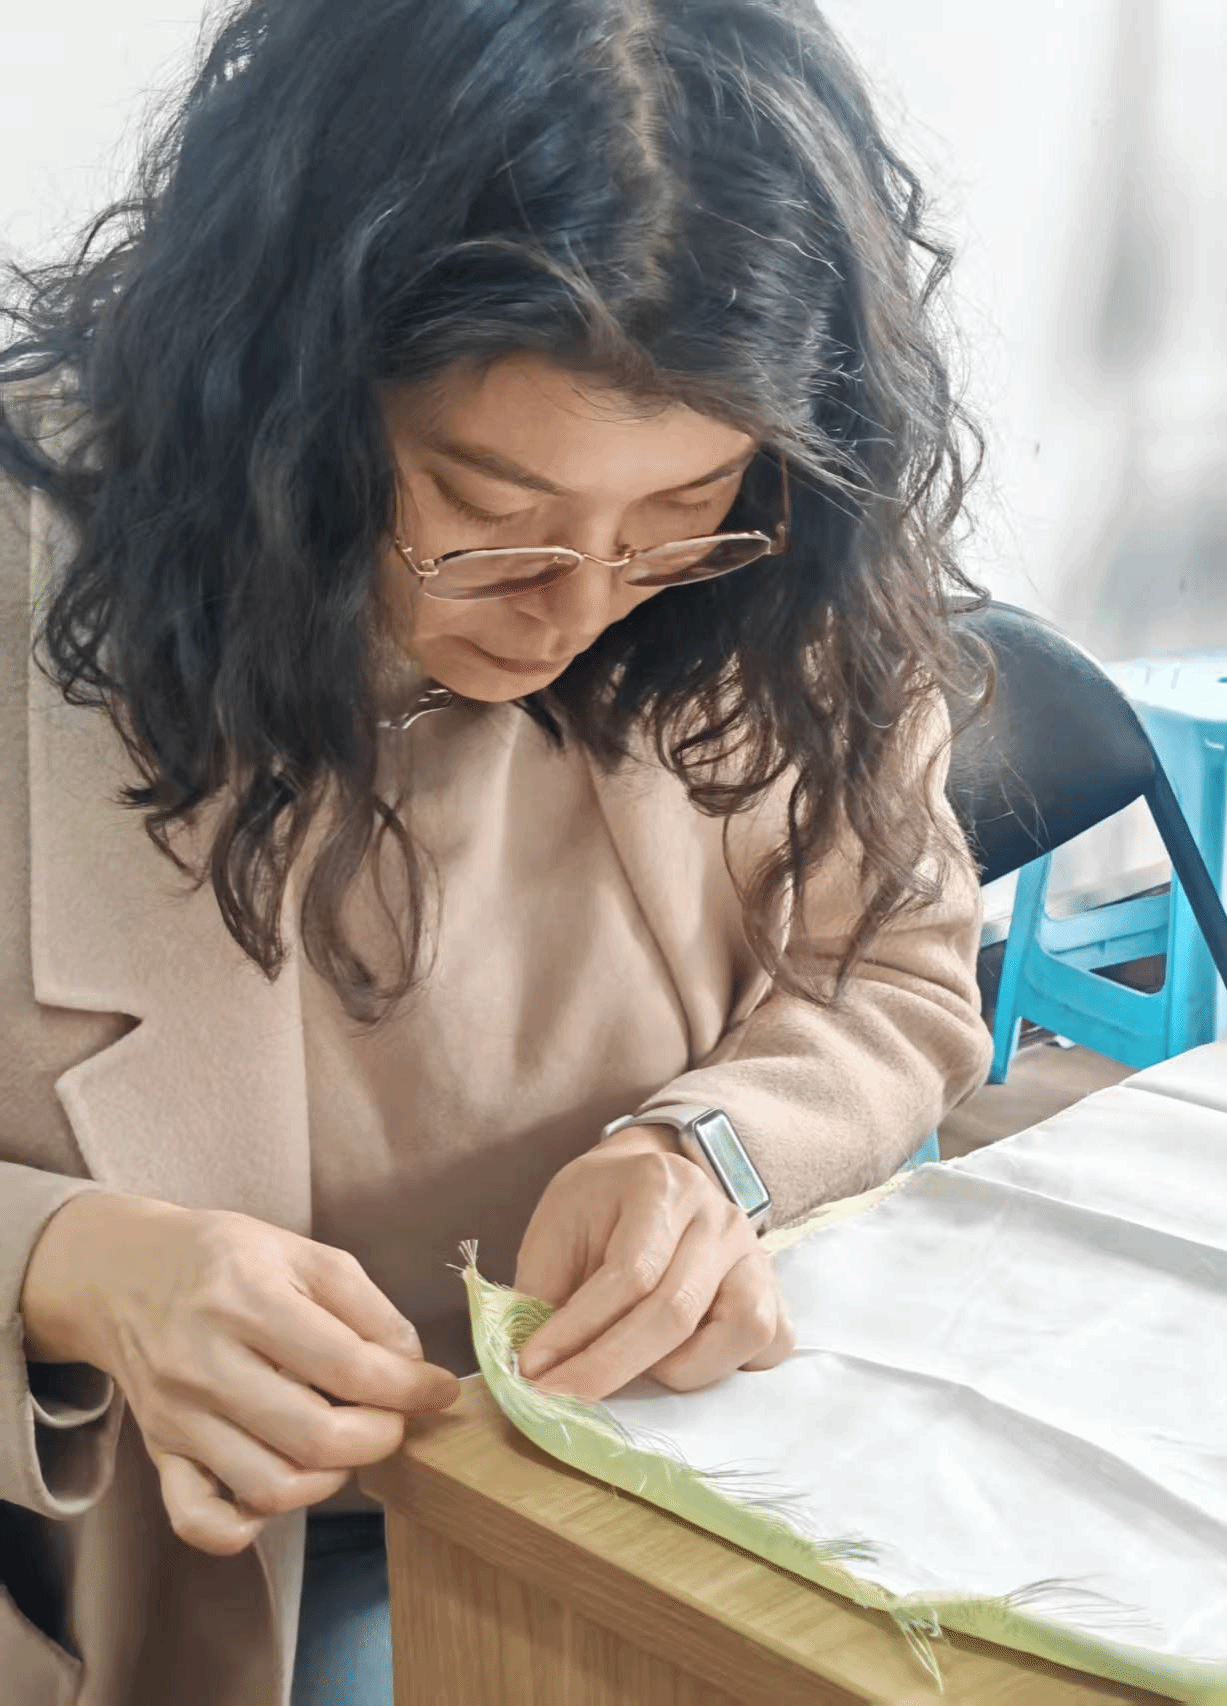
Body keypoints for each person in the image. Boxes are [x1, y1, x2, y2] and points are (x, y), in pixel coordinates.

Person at [0, 0, 995, 1700]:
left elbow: (892, 959)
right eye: (485, 512)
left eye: (673, 514)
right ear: (285, 402)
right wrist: (65, 1263)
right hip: (142, 1560)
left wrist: (714, 1153)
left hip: (636, 1482)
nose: (576, 608)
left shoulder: (774, 571)